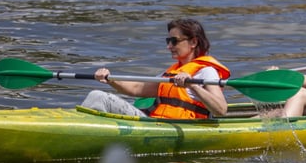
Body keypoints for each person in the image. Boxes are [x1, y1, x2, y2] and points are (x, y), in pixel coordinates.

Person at [80, 18, 229, 119]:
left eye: (174, 41)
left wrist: (193, 86)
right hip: (158, 123)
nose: (168, 46)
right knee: (97, 96)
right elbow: (136, 88)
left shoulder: (207, 71)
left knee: (98, 97)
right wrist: (109, 79)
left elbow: (221, 110)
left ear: (193, 42)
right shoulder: (172, 71)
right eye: (168, 41)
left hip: (183, 127)